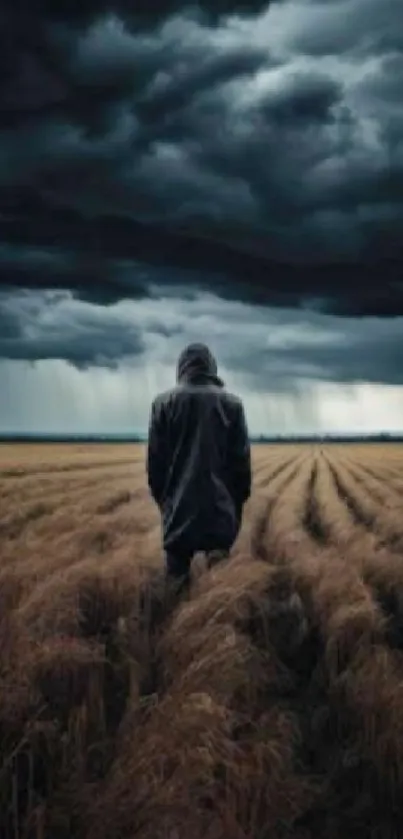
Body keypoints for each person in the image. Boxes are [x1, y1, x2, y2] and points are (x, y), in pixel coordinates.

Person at [146, 343, 251, 592]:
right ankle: (219, 630)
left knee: (175, 586)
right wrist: (233, 510)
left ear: (181, 368)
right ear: (211, 368)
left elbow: (155, 470)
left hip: (178, 511)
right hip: (220, 511)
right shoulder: (233, 405)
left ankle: (173, 628)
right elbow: (241, 469)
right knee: (221, 592)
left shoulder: (162, 404)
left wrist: (167, 506)